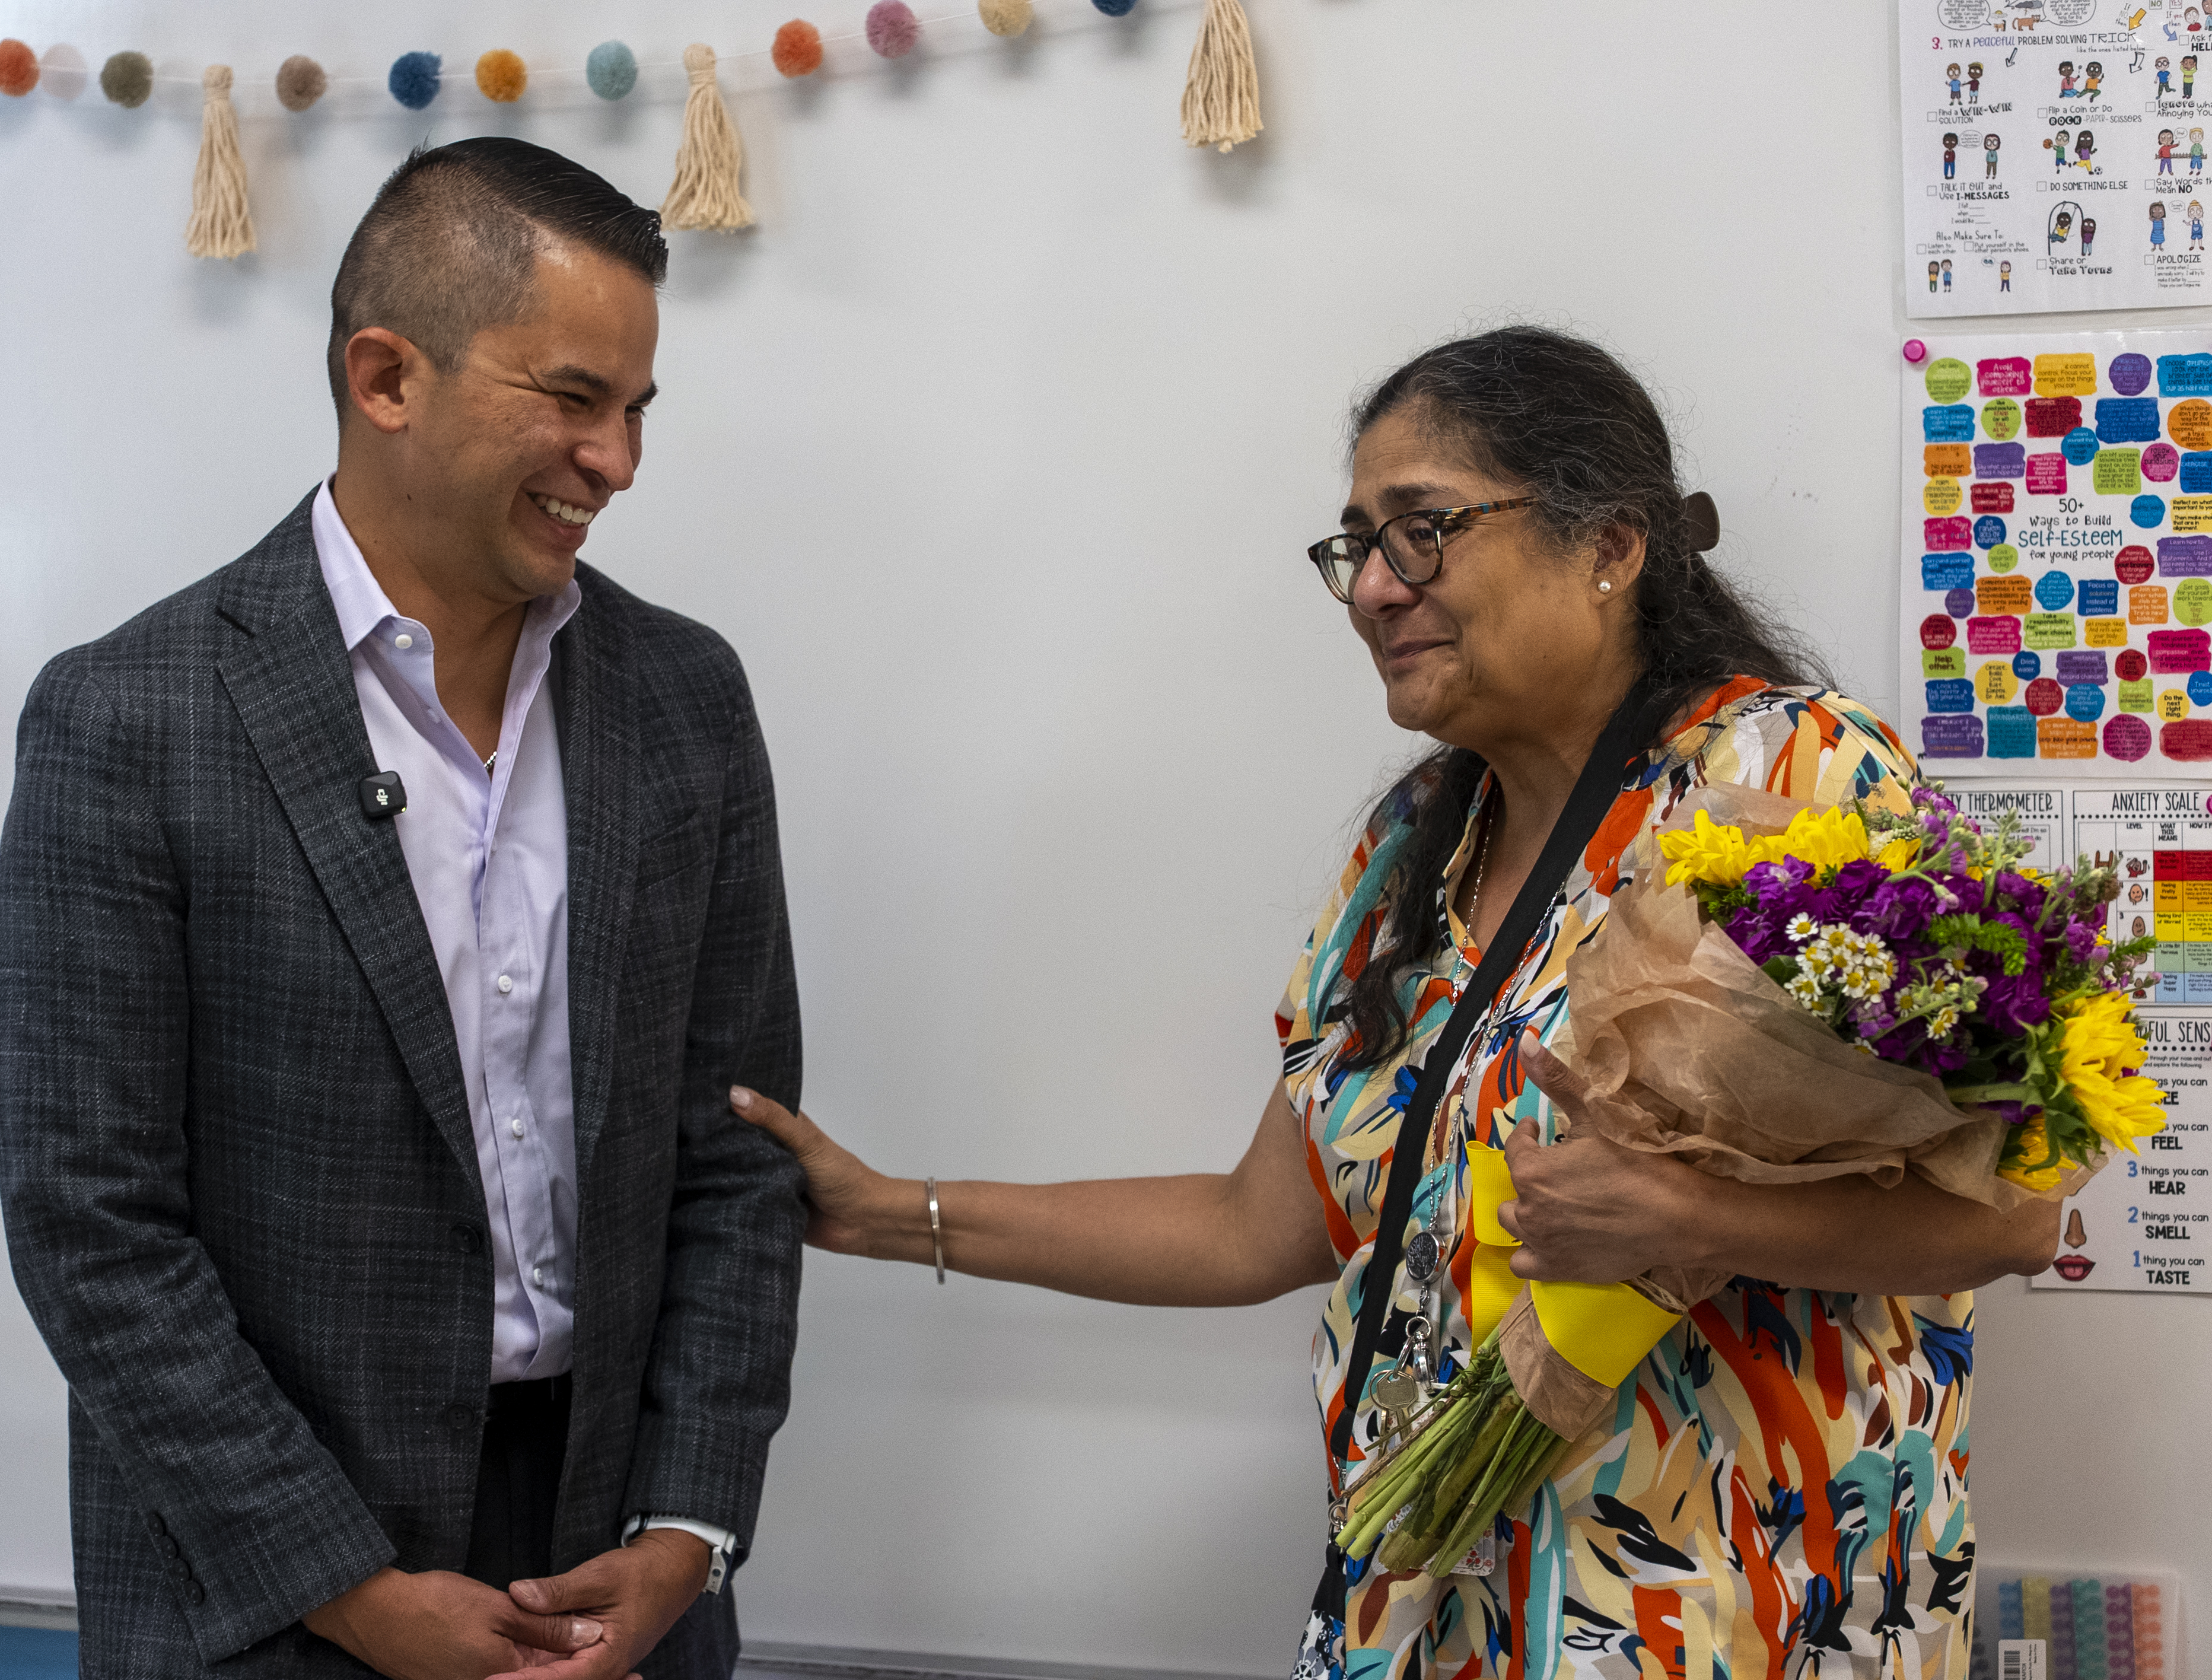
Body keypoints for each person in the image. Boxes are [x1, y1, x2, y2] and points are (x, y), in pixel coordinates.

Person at [727, 329, 2057, 1678]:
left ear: (1607, 546)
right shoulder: (1409, 854)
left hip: (1738, 1618)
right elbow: (1261, 1223)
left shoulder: (1800, 777)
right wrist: (893, 1215)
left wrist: (1695, 1216)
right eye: (1353, 545)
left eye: (1419, 531)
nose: (1370, 587)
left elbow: (2012, 1211)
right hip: (1427, 1616)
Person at [0, 138, 807, 1680]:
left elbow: (739, 1156)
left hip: (619, 1576)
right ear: (385, 378)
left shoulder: (688, 701)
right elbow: (91, 1227)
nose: (617, 460)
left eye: (636, 411)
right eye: (573, 398)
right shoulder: (128, 720)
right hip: (261, 1591)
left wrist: (691, 1527)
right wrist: (347, 1587)